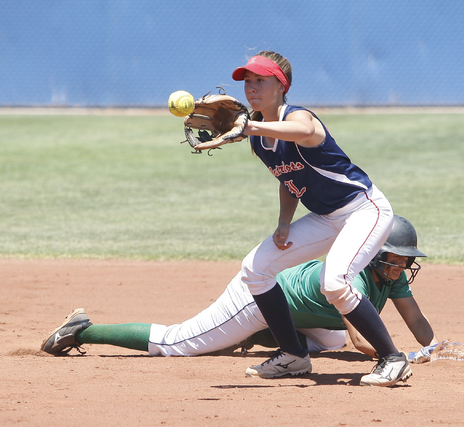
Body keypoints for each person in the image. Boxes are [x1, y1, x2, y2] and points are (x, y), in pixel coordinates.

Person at [195, 50, 407, 386]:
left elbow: (303, 130)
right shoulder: (261, 140)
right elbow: (288, 179)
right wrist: (283, 223)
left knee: (335, 282)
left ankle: (393, 359)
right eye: (247, 81)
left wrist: (249, 126)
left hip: (364, 209)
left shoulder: (299, 118)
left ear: (280, 86)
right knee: (256, 268)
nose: (251, 87)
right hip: (326, 217)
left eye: (260, 80)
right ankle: (293, 354)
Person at [41, 215, 439, 385]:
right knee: (175, 342)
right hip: (258, 297)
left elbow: (421, 328)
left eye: (407, 259)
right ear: (373, 253)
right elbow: (364, 342)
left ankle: (269, 336)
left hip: (298, 310)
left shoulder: (392, 275)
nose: (402, 264)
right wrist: (395, 353)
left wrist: (423, 344)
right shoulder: (350, 276)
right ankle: (83, 330)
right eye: (396, 257)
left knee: (329, 340)